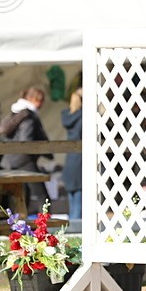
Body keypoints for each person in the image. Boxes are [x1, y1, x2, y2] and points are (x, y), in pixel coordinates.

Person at [0, 85, 50, 212]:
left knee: (20, 197)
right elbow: (26, 139)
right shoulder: (28, 116)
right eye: (40, 101)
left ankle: (17, 223)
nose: (41, 104)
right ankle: (44, 223)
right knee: (43, 197)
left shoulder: (16, 112)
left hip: (10, 159)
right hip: (24, 160)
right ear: (34, 99)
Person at [60, 81, 83, 225]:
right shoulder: (83, 117)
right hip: (81, 159)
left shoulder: (67, 116)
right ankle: (76, 229)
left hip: (70, 160)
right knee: (79, 202)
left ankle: (72, 227)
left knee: (73, 200)